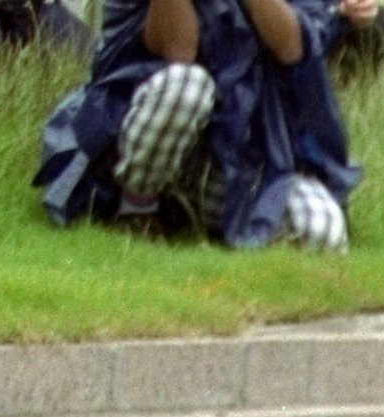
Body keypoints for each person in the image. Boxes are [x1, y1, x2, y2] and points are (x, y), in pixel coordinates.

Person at [36, 0, 357, 249]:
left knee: (322, 232)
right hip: (136, 138)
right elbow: (179, 52)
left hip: (240, 158)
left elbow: (292, 47)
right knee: (187, 86)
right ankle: (137, 211)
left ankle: (194, 218)